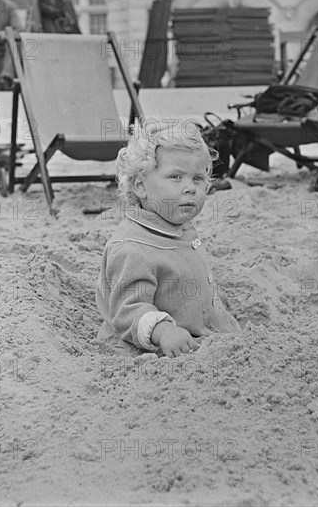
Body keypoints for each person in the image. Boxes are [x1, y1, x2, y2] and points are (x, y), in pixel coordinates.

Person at [96, 121, 241, 357]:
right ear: (141, 185)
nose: (190, 188)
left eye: (198, 179)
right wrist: (163, 332)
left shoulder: (176, 225)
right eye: (176, 177)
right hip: (164, 347)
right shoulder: (132, 249)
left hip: (206, 335)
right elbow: (127, 310)